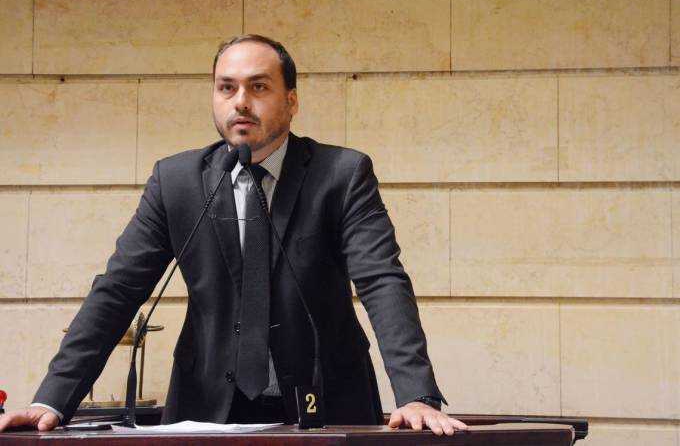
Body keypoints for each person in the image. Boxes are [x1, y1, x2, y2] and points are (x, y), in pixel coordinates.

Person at [0, 35, 467, 436]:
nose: (241, 101)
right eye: (227, 87)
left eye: (259, 86)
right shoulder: (176, 182)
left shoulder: (341, 175)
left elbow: (382, 281)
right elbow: (118, 290)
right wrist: (52, 399)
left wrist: (416, 394)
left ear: (292, 101)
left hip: (324, 406)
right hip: (207, 409)